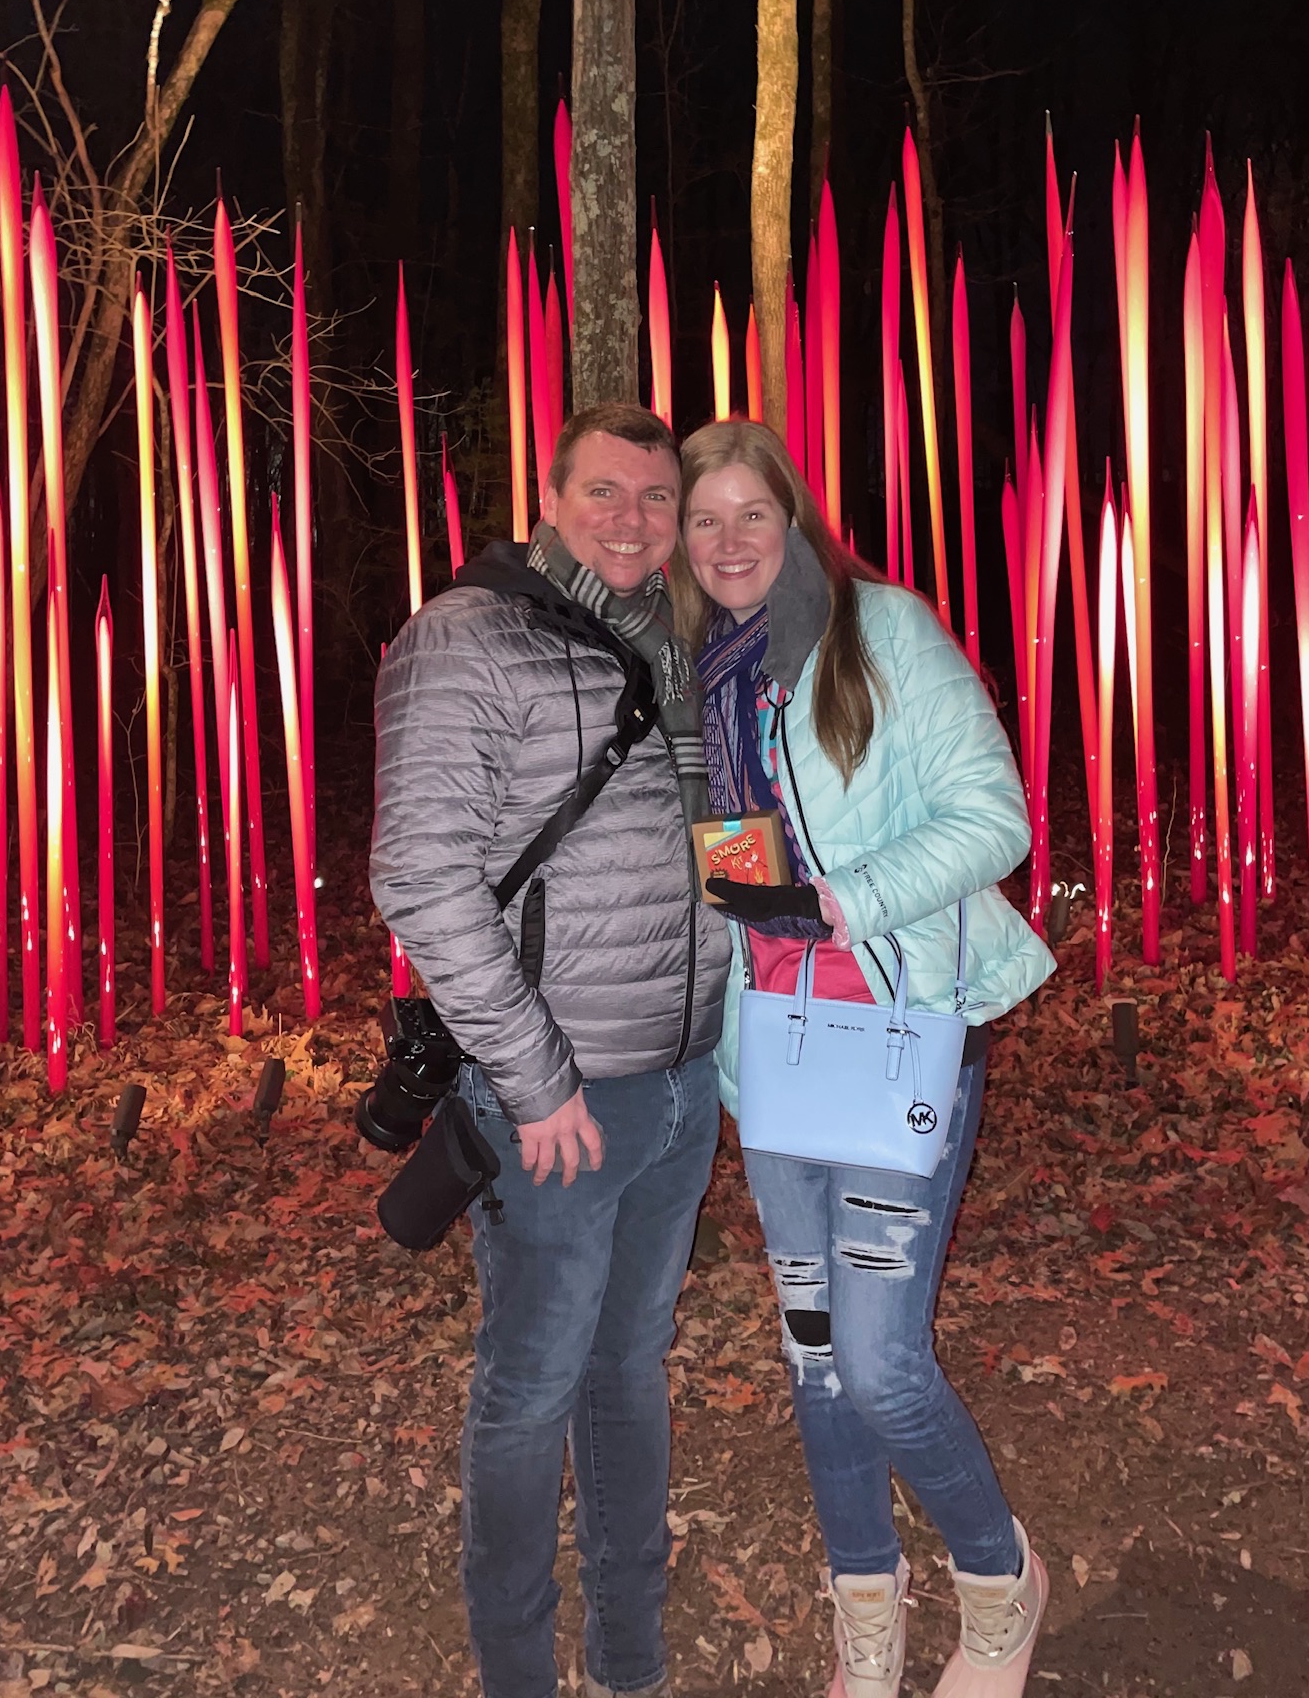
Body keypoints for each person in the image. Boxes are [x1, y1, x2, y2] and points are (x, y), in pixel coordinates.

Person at [672, 419, 1056, 1698]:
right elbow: (728, 863)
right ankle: (867, 1606)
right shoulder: (700, 673)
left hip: (895, 1038)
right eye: (704, 518)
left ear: (794, 519)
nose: (727, 541)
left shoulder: (880, 629)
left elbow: (992, 815)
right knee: (817, 1344)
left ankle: (1000, 1578)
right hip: (774, 1059)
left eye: (750, 513)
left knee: (884, 1357)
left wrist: (845, 899)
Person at [370, 403, 730, 1698]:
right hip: (561, 1108)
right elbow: (418, 880)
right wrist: (537, 1081)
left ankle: (632, 1661)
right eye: (606, 493)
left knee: (631, 1366)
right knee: (531, 1389)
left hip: (685, 1089)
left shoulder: (679, 647)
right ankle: (519, 1675)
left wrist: (769, 976)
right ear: (552, 494)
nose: (632, 521)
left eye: (654, 498)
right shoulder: (467, 638)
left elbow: (719, 837)